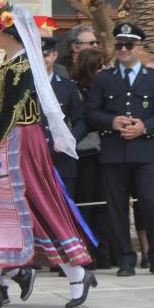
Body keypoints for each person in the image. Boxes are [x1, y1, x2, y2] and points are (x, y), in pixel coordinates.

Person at [0, 0, 96, 308]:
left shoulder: (23, 67)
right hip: (5, 140)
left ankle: (74, 271)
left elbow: (11, 110)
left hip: (18, 139)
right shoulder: (7, 65)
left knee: (35, 204)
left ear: (11, 32)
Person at [86, 22, 154, 277]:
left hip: (145, 151)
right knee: (116, 207)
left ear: (139, 47)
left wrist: (145, 127)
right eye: (119, 45)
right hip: (114, 152)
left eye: (129, 45)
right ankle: (125, 260)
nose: (124, 49)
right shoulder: (104, 78)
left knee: (151, 204)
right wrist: (111, 122)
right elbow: (91, 112)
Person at [70, 47, 115, 269]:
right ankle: (86, 251)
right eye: (99, 66)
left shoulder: (107, 87)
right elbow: (85, 117)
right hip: (85, 153)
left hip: (106, 150)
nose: (104, 69)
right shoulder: (76, 90)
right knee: (86, 202)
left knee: (104, 203)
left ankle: (104, 251)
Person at [41, 36, 87, 195]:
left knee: (65, 207)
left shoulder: (68, 87)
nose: (42, 59)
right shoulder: (24, 87)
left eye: (45, 55)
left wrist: (68, 140)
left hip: (61, 159)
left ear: (54, 55)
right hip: (33, 158)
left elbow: (81, 121)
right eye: (37, 55)